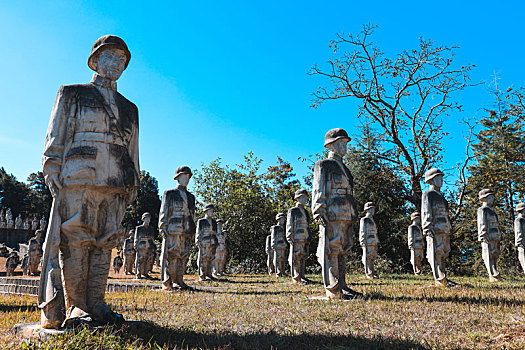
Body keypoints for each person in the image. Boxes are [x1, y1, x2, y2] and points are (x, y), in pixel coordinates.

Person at [39, 35, 139, 329]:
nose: (115, 64)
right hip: (79, 173)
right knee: (76, 238)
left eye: (121, 60)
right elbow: (56, 133)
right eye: (109, 57)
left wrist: (133, 179)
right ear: (95, 60)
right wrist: (52, 164)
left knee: (105, 241)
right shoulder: (72, 93)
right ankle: (76, 306)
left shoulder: (130, 108)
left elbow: (133, 148)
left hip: (116, 178)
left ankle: (97, 303)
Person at [312, 128, 360, 299]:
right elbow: (319, 189)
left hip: (346, 213)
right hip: (331, 213)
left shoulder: (346, 169)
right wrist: (318, 210)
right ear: (331, 146)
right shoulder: (323, 165)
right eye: (341, 143)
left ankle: (342, 285)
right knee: (331, 249)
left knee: (343, 249)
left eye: (346, 143)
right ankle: (332, 288)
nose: (345, 147)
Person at [159, 166, 196, 290]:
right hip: (173, 228)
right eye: (183, 176)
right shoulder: (169, 194)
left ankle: (179, 280)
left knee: (183, 255)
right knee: (171, 255)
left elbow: (192, 215)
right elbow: (164, 211)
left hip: (186, 229)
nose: (186, 179)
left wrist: (192, 230)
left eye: (188, 177)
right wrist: (163, 226)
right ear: (177, 178)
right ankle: (168, 282)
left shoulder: (191, 197)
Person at [421, 168, 453, 286]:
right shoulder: (428, 194)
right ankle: (439, 278)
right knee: (435, 253)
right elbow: (426, 211)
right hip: (435, 229)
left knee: (443, 253)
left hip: (444, 228)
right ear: (432, 180)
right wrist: (427, 227)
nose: (441, 180)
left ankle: (443, 276)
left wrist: (449, 227)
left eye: (441, 178)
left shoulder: (442, 197)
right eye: (438, 178)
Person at [286, 188, 311, 284]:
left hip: (304, 236)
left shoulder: (306, 212)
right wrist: (289, 235)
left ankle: (302, 276)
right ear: (298, 198)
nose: (305, 200)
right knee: (295, 257)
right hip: (296, 236)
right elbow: (289, 224)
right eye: (303, 198)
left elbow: (307, 225)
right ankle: (296, 277)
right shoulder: (293, 211)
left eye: (306, 198)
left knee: (303, 256)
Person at [477, 189, 501, 282]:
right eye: (490, 197)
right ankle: (492, 274)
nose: (493, 199)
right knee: (488, 255)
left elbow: (496, 224)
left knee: (495, 255)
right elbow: (481, 223)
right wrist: (483, 235)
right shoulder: (482, 210)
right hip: (487, 236)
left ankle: (495, 272)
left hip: (495, 235)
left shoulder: (492, 211)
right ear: (485, 198)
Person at [196, 204, 219, 281]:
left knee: (210, 258)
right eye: (210, 211)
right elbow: (198, 232)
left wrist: (216, 242)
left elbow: (215, 233)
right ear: (205, 212)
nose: (211, 213)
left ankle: (209, 274)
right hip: (204, 242)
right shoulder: (201, 221)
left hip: (212, 242)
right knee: (203, 259)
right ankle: (202, 275)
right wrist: (198, 241)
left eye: (212, 211)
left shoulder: (214, 222)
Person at [359, 202, 379, 279]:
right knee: (367, 257)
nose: (373, 211)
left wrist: (376, 240)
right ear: (367, 210)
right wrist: (362, 240)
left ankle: (372, 272)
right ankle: (369, 273)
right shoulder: (364, 220)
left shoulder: (372, 220)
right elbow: (362, 231)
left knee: (372, 257)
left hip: (373, 240)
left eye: (373, 209)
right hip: (368, 241)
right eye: (371, 209)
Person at [134, 212, 156, 279]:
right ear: (143, 219)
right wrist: (136, 244)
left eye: (149, 219)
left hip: (149, 246)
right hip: (141, 245)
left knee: (147, 260)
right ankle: (138, 273)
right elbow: (136, 237)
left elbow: (152, 238)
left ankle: (145, 273)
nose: (148, 220)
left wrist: (153, 246)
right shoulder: (139, 228)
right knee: (140, 260)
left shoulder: (151, 228)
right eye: (146, 218)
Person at [271, 213, 287, 277]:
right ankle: (278, 272)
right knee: (277, 259)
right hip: (277, 245)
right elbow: (273, 237)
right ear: (278, 219)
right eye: (282, 219)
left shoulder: (282, 228)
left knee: (282, 259)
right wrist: (274, 245)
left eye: (283, 219)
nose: (283, 220)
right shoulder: (275, 228)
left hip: (283, 245)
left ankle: (282, 272)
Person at [514, 203, 525, 274]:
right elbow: (518, 232)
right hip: (522, 243)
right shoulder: (519, 220)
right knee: (523, 259)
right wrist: (518, 242)